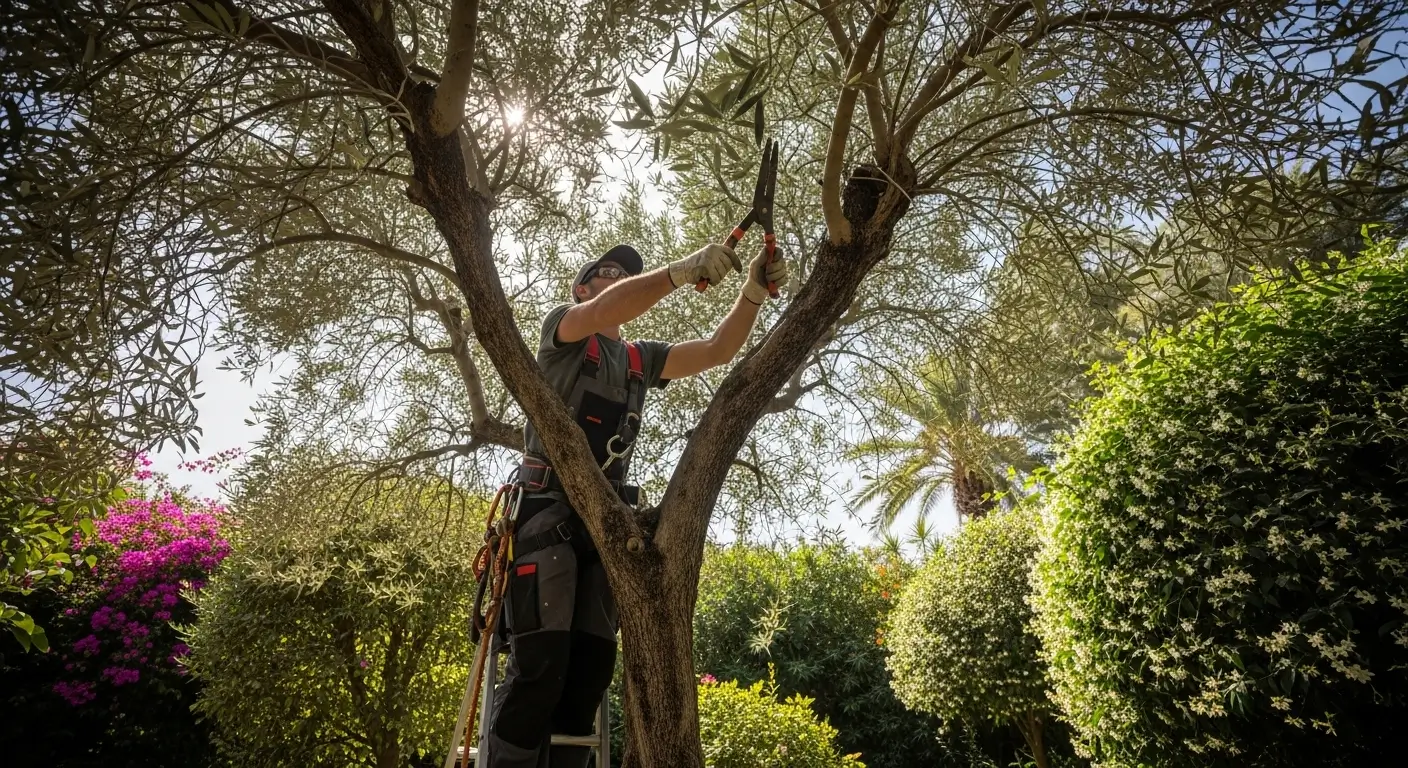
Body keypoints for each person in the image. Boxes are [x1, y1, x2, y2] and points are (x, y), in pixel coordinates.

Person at [480, 241, 789, 767]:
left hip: (607, 528)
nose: (619, 278)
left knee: (589, 677)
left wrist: (754, 292)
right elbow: (605, 311)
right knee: (540, 669)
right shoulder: (564, 331)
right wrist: (679, 271)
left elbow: (717, 350)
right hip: (544, 516)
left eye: (627, 274)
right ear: (581, 290)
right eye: (607, 273)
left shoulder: (641, 360)